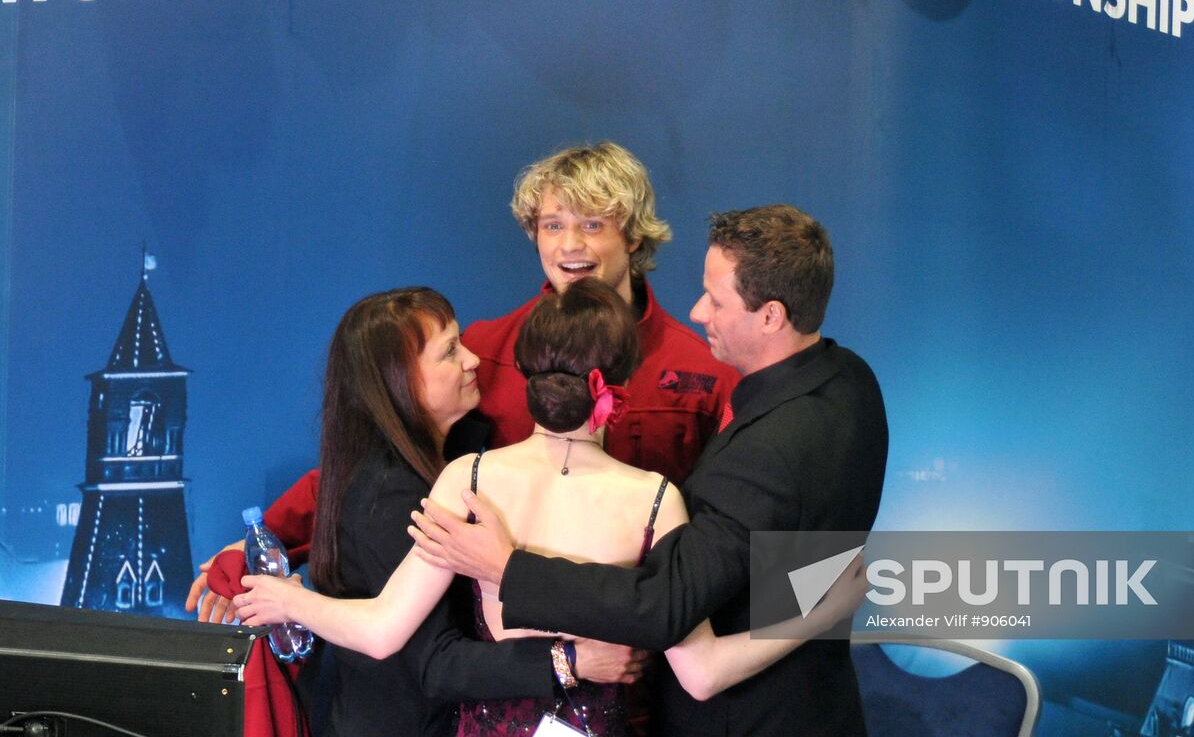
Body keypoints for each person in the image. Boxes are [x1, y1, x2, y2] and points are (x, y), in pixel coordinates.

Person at [234, 279, 861, 736]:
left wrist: (289, 599)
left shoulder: (466, 478)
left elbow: (380, 631)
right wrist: (819, 610)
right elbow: (702, 674)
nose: (470, 359)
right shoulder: (656, 499)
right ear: (619, 386)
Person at [186, 141, 737, 622]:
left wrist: (788, 626)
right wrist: (265, 540)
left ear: (634, 237)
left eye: (592, 224)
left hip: (650, 634)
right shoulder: (485, 352)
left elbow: (753, 511)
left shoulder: (707, 371)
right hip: (508, 637)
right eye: (553, 225)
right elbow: (384, 462)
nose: (570, 245)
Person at [404, 205, 889, 736]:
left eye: (716, 300)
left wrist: (508, 568)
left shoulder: (766, 452)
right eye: (552, 225)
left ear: (771, 316)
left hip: (751, 718)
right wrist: (819, 613)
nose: (699, 311)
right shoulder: (852, 380)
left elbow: (664, 606)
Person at [271, 286, 641, 736]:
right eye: (449, 352)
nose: (473, 360)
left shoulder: (452, 460)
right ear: (397, 379)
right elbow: (433, 661)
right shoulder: (393, 491)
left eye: (461, 342)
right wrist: (571, 661)